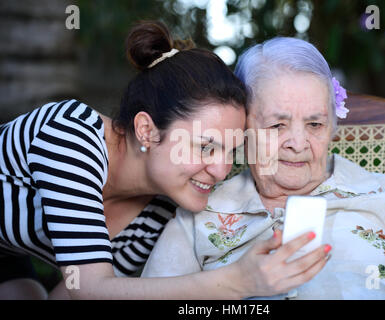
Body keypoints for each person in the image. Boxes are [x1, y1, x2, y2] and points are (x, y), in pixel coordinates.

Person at [0, 22, 325, 300]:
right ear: (146, 130)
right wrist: (236, 282)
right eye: (205, 147)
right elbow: (88, 287)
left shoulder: (161, 207)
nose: (222, 170)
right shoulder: (71, 135)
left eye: (231, 151)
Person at [141, 37, 385, 300]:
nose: (298, 143)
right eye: (278, 125)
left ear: (332, 127)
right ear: (242, 127)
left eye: (315, 124)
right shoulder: (200, 214)